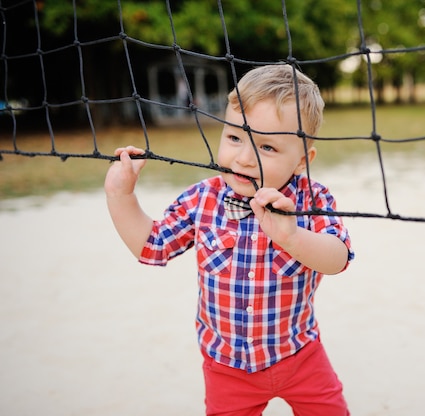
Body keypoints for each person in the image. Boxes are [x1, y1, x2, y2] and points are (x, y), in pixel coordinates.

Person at [104, 64, 354, 415]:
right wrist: (121, 197)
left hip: (300, 355)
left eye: (267, 147)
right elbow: (152, 245)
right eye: (235, 137)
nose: (244, 158)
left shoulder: (312, 199)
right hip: (227, 366)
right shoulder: (202, 198)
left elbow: (338, 257)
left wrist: (294, 237)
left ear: (302, 162)